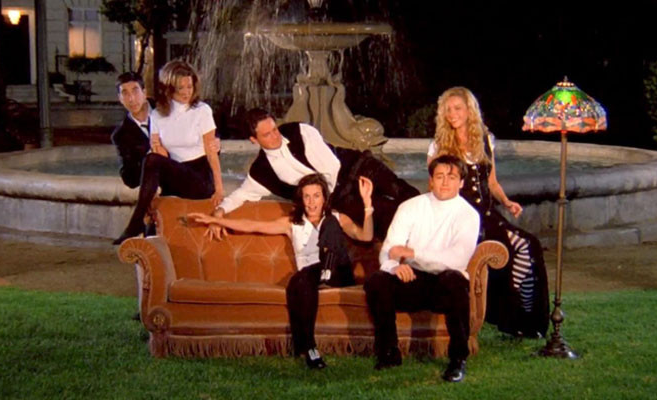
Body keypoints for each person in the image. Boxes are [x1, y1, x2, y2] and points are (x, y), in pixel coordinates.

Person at [189, 173, 374, 370]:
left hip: (338, 273)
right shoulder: (292, 223)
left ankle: (326, 271)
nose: (312, 202)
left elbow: (366, 236)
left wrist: (367, 203)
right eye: (307, 196)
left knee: (330, 223)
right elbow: (253, 226)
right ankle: (310, 349)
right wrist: (215, 219)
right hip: (312, 277)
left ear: (324, 198)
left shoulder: (338, 218)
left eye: (316, 196)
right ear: (301, 199)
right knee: (299, 280)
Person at [427, 86, 549, 338]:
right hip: (461, 218)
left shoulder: (485, 139)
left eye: (457, 108)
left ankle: (521, 318)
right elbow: (436, 188)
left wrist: (506, 201)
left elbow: (491, 182)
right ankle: (515, 316)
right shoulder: (439, 146)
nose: (452, 114)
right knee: (523, 246)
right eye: (448, 110)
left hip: (488, 215)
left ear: (469, 110)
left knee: (528, 246)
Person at [212, 108, 419, 240]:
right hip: (341, 198)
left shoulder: (300, 130)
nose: (275, 136)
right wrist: (220, 212)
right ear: (254, 140)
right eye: (267, 134)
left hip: (357, 167)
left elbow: (330, 167)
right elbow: (240, 194)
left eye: (275, 129)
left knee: (406, 194)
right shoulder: (261, 171)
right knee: (385, 217)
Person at [364, 155, 479, 383]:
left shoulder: (468, 215)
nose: (445, 182)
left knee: (454, 280)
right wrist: (394, 267)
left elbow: (456, 260)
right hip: (413, 280)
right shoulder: (410, 207)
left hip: (444, 285)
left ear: (461, 183)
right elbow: (389, 250)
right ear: (430, 180)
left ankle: (458, 359)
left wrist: (414, 253)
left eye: (451, 177)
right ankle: (389, 353)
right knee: (377, 280)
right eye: (439, 176)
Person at [113, 60, 223, 245]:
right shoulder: (157, 115)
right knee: (153, 227)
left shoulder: (202, 111)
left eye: (189, 86)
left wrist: (219, 189)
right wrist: (157, 150)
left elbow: (212, 153)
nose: (187, 92)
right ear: (169, 89)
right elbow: (160, 159)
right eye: (181, 88)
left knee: (152, 159)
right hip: (175, 176)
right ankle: (146, 237)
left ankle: (135, 223)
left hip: (200, 178)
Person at [111, 72, 151, 189]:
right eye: (125, 93)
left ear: (144, 93)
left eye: (135, 91)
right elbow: (130, 179)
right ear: (120, 99)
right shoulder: (121, 135)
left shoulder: (165, 110)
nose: (131, 99)